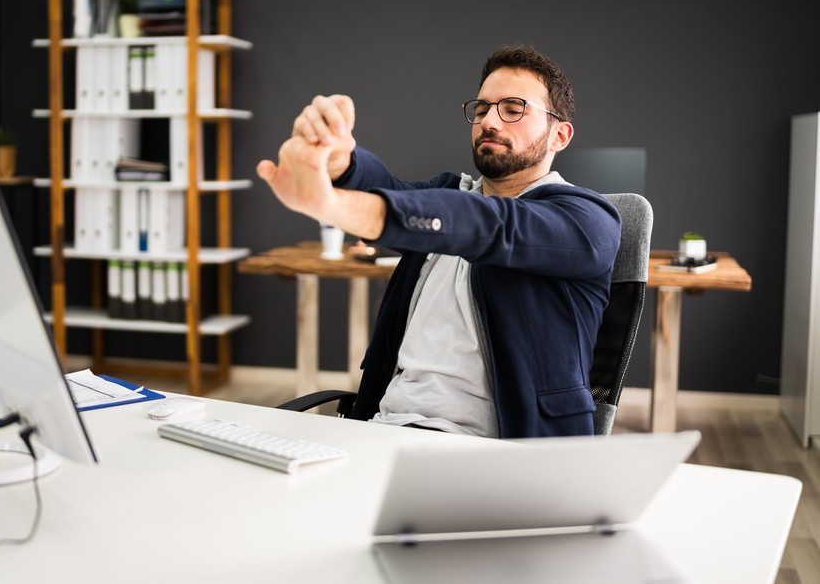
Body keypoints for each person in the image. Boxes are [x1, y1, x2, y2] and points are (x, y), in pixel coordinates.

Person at [255, 44, 621, 438]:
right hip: (384, 431)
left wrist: (341, 207)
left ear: (560, 135)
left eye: (513, 108)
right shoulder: (451, 194)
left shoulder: (587, 220)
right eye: (481, 109)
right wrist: (341, 162)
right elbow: (392, 190)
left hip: (498, 456)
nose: (490, 122)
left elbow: (493, 227)